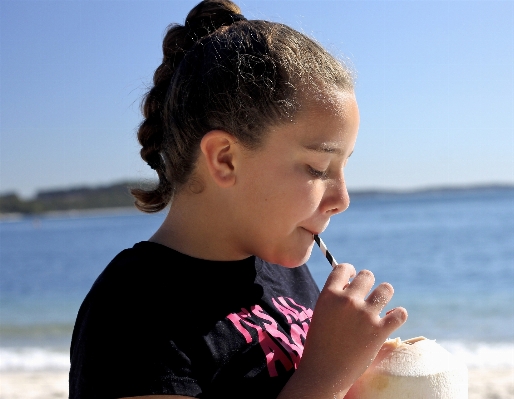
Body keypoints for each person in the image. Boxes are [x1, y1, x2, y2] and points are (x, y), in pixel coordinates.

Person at [69, 1, 408, 398]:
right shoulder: (133, 309)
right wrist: (329, 372)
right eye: (318, 168)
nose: (342, 199)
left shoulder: (286, 271)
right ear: (226, 159)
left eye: (344, 167)